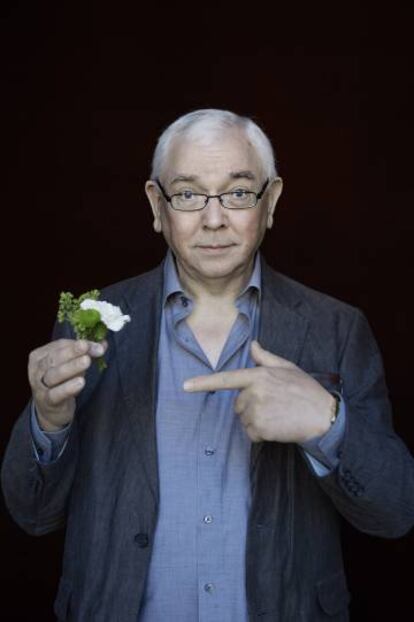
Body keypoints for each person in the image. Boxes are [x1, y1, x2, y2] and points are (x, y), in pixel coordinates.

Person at [2, 109, 414, 622]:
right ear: (157, 204)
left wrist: (327, 424)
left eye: (239, 193)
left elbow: (395, 511)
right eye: (189, 194)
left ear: (272, 201)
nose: (214, 219)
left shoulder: (337, 329)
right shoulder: (93, 323)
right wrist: (49, 422)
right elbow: (33, 515)